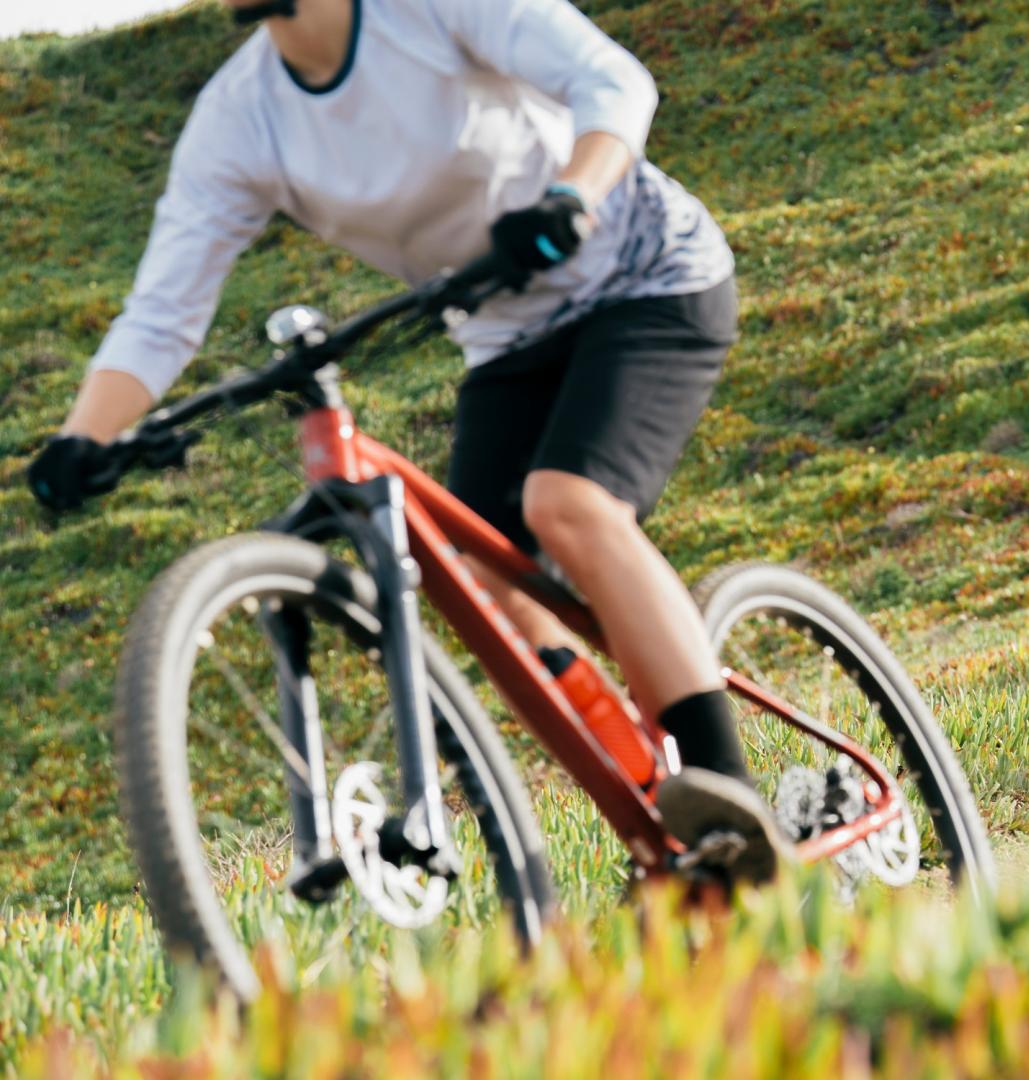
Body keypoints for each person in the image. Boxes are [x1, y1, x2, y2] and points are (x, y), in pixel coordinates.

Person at [25, 0, 790, 881]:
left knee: (567, 504)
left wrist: (571, 194)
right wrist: (82, 438)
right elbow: (162, 314)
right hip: (505, 336)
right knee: (487, 581)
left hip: (647, 279)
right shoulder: (240, 118)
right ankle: (659, 805)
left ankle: (735, 803)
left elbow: (614, 80)